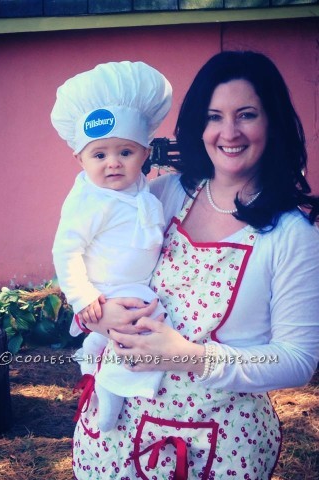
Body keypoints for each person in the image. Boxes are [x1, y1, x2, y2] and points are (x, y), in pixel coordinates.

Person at [71, 51, 319, 480]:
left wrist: (192, 357)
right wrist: (99, 314)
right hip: (116, 434)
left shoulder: (292, 233)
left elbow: (296, 360)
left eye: (246, 115)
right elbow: (88, 256)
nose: (229, 132)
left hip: (218, 446)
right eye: (213, 116)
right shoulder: (162, 195)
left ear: (272, 122)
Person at [51, 61, 173, 432]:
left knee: (121, 335)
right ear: (80, 159)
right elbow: (65, 249)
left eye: (126, 152)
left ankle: (92, 355)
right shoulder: (90, 201)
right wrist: (83, 296)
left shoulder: (141, 188)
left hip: (133, 283)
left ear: (145, 153)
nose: (113, 164)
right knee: (145, 329)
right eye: (99, 155)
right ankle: (111, 387)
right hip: (108, 291)